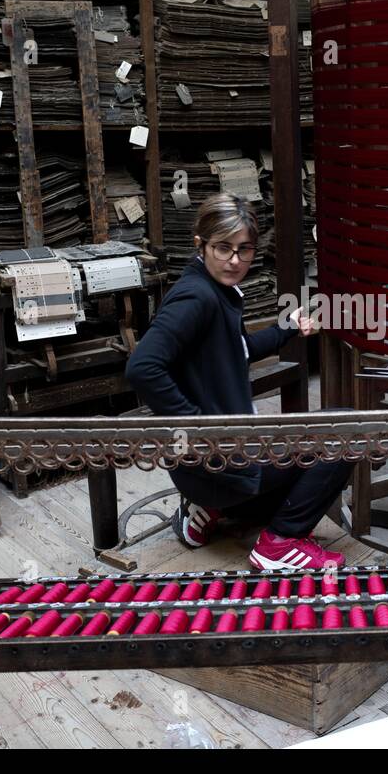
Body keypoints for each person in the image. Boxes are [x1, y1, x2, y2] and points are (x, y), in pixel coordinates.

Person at [125, 193, 353, 571]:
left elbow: (238, 349)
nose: (234, 260)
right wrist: (201, 427)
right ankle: (279, 543)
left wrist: (288, 327)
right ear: (201, 244)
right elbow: (143, 366)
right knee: (344, 432)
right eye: (223, 248)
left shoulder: (215, 290)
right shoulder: (196, 298)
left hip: (201, 468)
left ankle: (210, 509)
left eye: (244, 250)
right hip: (218, 461)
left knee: (292, 453)